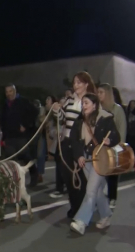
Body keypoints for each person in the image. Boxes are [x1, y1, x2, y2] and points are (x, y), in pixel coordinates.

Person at [69, 93, 120, 235]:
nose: (84, 106)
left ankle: (81, 221)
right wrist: (78, 155)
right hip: (85, 159)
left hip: (100, 158)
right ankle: (106, 215)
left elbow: (116, 136)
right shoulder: (80, 121)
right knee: (97, 191)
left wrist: (110, 141)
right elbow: (74, 139)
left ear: (94, 105)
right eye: (83, 103)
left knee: (91, 189)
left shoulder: (105, 118)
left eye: (86, 103)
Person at [52, 72, 96, 218]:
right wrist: (57, 111)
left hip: (81, 143)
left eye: (79, 82)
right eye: (74, 82)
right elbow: (63, 119)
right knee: (68, 176)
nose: (75, 85)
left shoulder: (90, 101)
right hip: (66, 142)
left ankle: (82, 210)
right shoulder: (69, 100)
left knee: (81, 178)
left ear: (86, 84)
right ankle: (75, 206)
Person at [0, 83, 39, 187]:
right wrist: (3, 137)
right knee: (11, 161)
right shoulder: (5, 104)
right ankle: (13, 183)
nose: (9, 94)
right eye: (7, 92)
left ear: (15, 91)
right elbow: (3, 121)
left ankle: (34, 177)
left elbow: (35, 112)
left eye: (10, 91)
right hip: (9, 137)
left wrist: (25, 125)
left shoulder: (23, 101)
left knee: (26, 157)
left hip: (21, 136)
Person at [97, 83, 127, 209]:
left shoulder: (117, 109)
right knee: (100, 173)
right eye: (97, 92)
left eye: (101, 92)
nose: (98, 95)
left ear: (108, 94)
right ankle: (101, 199)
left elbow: (122, 128)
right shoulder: (97, 108)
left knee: (113, 173)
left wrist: (120, 146)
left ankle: (112, 198)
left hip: (114, 146)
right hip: (101, 147)